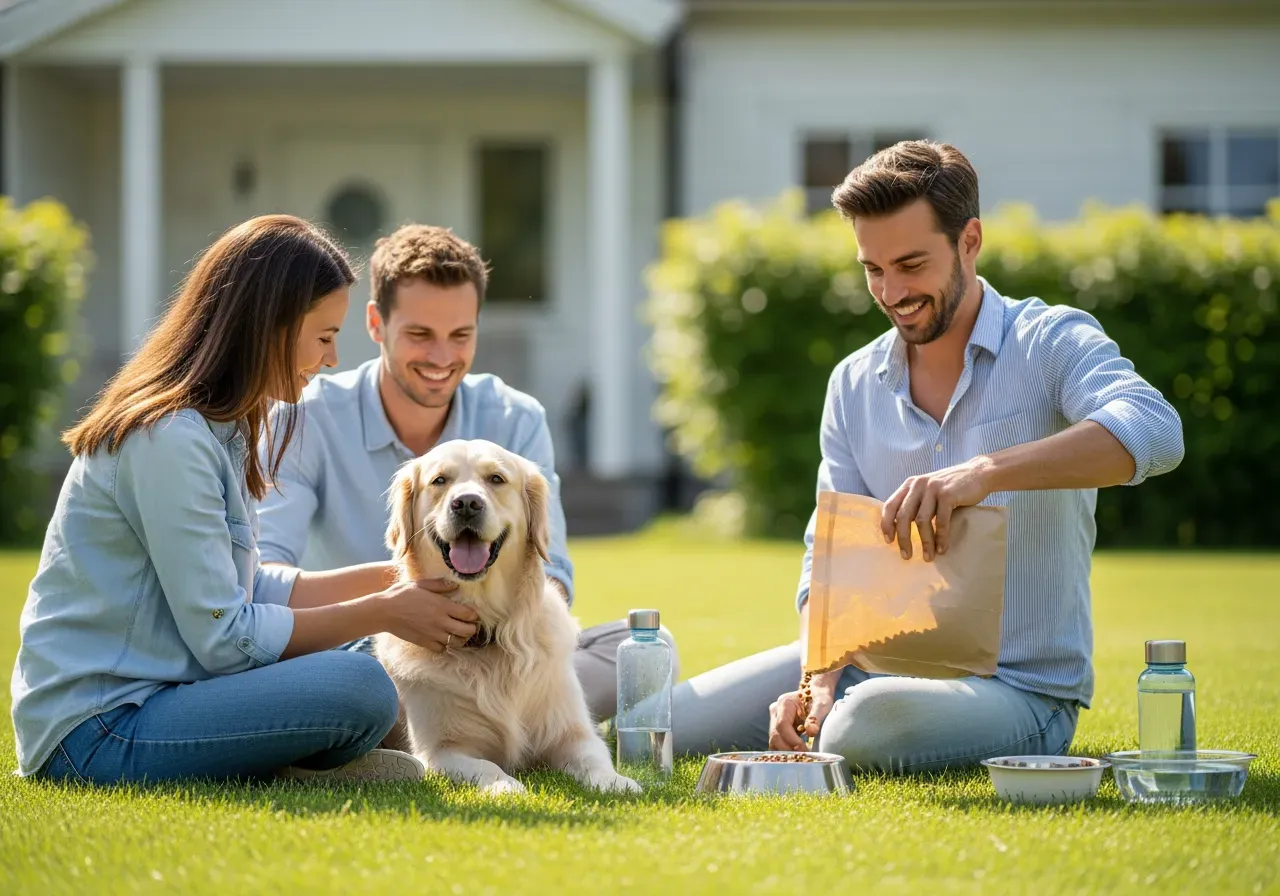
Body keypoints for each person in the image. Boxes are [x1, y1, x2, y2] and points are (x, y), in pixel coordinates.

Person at [669, 140, 1185, 772]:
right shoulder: (853, 383)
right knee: (666, 723)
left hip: (1020, 691)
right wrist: (818, 679)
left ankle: (850, 715)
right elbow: (829, 563)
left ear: (969, 241)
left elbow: (1156, 432)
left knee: (862, 725)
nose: (892, 292)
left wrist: (982, 473)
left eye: (912, 264)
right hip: (873, 663)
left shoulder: (1050, 340)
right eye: (873, 269)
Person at [10, 215, 478, 784]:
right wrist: (384, 611)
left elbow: (249, 587)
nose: (332, 359)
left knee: (366, 654)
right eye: (325, 337)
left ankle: (285, 757)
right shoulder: (168, 439)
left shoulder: (220, 428)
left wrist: (399, 579)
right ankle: (288, 763)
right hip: (100, 730)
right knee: (359, 684)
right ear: (270, 327)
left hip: (172, 695)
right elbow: (225, 638)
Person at [255, 223, 678, 722]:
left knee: (644, 648)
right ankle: (464, 730)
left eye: (460, 335)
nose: (441, 357)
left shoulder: (515, 417)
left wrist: (487, 635)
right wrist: (404, 599)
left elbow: (553, 572)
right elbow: (266, 580)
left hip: (507, 648)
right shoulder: (304, 417)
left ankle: (485, 726)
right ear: (375, 324)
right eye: (419, 335)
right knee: (349, 680)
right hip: (365, 654)